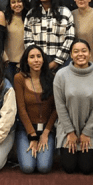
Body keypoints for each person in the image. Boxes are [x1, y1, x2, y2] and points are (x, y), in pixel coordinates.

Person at [54, 39, 93, 174]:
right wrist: (70, 132)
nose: (80, 54)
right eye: (76, 51)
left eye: (84, 51)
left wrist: (87, 133)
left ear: (90, 53)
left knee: (86, 168)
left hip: (90, 130)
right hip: (67, 129)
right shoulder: (61, 75)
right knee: (69, 168)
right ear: (71, 55)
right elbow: (60, 106)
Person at [15, 45, 57, 174]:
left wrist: (46, 133)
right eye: (32, 57)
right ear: (26, 60)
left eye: (39, 56)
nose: (36, 60)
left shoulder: (52, 78)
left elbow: (56, 109)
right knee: (28, 167)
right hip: (26, 129)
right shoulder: (19, 78)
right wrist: (32, 135)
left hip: (47, 129)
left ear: (44, 59)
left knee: (44, 167)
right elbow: (21, 109)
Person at [24, 0, 75, 71]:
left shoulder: (65, 13)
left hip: (62, 62)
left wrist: (57, 61)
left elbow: (69, 39)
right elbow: (28, 39)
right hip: (38, 62)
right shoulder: (31, 14)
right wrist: (37, 60)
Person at [4, 0, 30, 80]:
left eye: (19, 1)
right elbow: (0, 39)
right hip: (8, 63)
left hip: (24, 63)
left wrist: (24, 61)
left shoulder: (29, 18)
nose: (16, 4)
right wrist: (5, 58)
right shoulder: (5, 18)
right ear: (10, 5)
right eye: (13, 2)